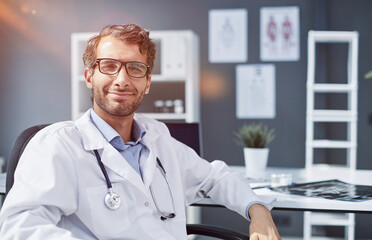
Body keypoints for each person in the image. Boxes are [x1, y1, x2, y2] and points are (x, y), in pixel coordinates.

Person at [0, 24, 280, 239]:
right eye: (109, 66)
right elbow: (20, 228)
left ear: (147, 83)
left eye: (135, 68)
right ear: (89, 76)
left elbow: (215, 177)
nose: (121, 80)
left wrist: (258, 210)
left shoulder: (158, 137)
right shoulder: (57, 145)